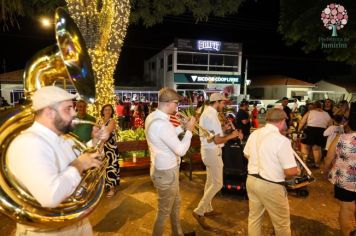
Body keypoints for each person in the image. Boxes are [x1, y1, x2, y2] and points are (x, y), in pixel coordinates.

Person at [7, 86, 108, 236]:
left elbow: (82, 155)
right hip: (50, 231)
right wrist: (79, 164)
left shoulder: (62, 137)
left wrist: (95, 140)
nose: (74, 112)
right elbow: (51, 196)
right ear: (49, 113)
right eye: (68, 109)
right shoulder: (29, 143)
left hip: (76, 223)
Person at [145, 87, 196, 236]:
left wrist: (182, 127)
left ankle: (177, 233)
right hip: (167, 173)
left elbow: (167, 136)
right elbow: (181, 150)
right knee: (164, 212)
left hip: (163, 169)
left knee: (176, 204)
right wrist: (190, 131)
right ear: (168, 103)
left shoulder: (153, 117)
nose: (177, 106)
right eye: (176, 103)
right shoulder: (162, 124)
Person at [243, 108, 299, 236]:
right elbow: (290, 171)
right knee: (282, 225)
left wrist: (263, 162)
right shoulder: (282, 141)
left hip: (251, 180)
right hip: (271, 186)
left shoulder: (255, 134)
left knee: (254, 219)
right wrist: (296, 169)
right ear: (282, 121)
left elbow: (247, 154)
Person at [193, 93, 241, 230]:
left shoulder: (208, 113)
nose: (224, 105)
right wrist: (232, 135)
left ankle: (207, 209)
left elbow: (214, 134)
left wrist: (224, 130)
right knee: (218, 183)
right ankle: (199, 211)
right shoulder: (212, 115)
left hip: (208, 151)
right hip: (212, 152)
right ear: (217, 102)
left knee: (210, 182)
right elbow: (218, 140)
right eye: (223, 103)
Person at [323, 105, 356, 236]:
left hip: (345, 181)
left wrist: (325, 173)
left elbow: (328, 159)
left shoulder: (342, 138)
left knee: (346, 208)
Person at [298, 101, 331, 167]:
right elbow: (330, 124)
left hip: (310, 130)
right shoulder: (326, 114)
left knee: (305, 147)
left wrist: (298, 130)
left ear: (314, 106)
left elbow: (302, 122)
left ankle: (304, 163)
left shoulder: (310, 112)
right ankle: (317, 164)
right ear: (321, 107)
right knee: (317, 148)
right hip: (321, 131)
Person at [99, 104, 120, 198]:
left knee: (111, 167)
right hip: (101, 148)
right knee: (102, 168)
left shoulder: (112, 121)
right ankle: (105, 186)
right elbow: (95, 133)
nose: (107, 111)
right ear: (102, 111)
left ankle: (112, 188)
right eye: (106, 110)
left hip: (110, 148)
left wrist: (101, 145)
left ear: (112, 112)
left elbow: (106, 133)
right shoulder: (99, 121)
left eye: (109, 110)